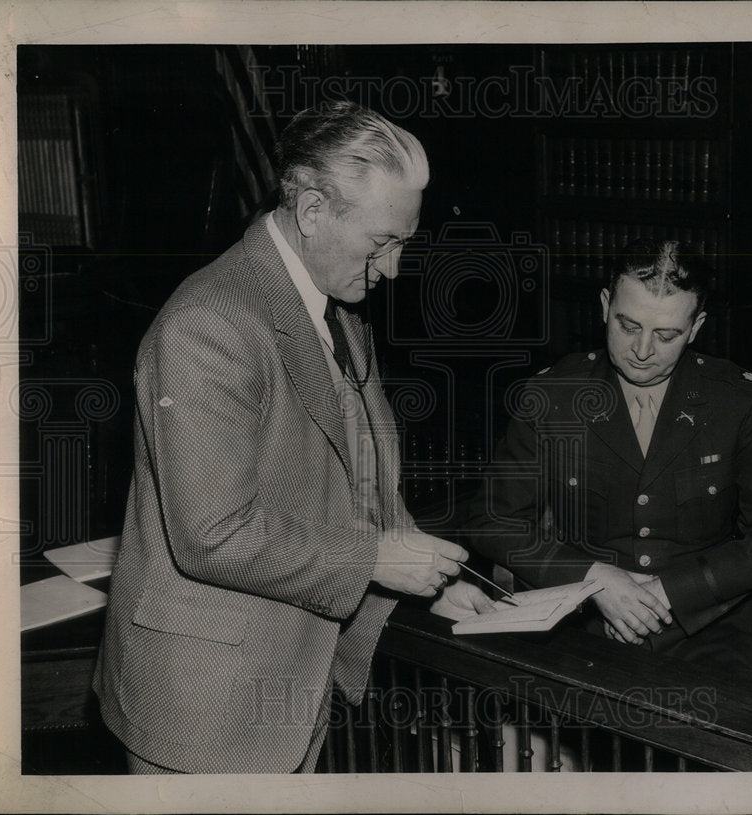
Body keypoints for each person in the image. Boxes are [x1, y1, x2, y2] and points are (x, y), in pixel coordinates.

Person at [93, 101, 492, 774]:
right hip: (207, 710)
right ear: (311, 211)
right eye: (380, 243)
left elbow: (358, 478)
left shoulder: (334, 308)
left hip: (292, 681)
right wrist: (374, 561)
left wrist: (423, 579)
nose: (393, 269)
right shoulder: (208, 323)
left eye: (403, 243)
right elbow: (213, 534)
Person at [464, 239, 752, 680]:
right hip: (580, 618)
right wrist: (596, 580)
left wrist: (668, 592)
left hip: (705, 624)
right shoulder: (553, 397)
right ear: (605, 305)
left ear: (695, 327)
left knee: (712, 735)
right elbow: (492, 520)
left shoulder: (736, 401)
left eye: (666, 335)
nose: (643, 350)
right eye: (628, 326)